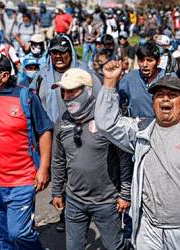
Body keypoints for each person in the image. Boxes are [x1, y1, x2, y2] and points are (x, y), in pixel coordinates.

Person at [95, 61, 180, 249]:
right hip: (150, 229)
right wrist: (109, 83)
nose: (165, 100)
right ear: (153, 103)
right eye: (159, 95)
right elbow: (106, 124)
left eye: (172, 95)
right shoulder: (141, 129)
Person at [0, 52, 53, 249]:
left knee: (19, 232)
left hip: (20, 182)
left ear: (3, 76)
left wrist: (44, 168)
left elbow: (44, 131)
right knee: (1, 237)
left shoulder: (25, 97)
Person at [50, 68, 131, 250]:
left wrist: (125, 194)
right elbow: (58, 160)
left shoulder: (107, 119)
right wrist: (56, 191)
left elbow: (124, 158)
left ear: (87, 90)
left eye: (72, 90)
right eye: (63, 91)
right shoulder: (62, 121)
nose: (66, 96)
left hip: (106, 202)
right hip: (74, 201)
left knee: (114, 246)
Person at [30, 35, 102, 122]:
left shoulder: (84, 72)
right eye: (54, 52)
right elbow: (31, 100)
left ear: (71, 53)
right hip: (51, 130)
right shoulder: (42, 75)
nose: (58, 56)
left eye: (62, 52)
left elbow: (100, 100)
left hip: (83, 127)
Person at [118, 41, 167, 118]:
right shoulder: (129, 78)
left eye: (150, 60)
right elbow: (119, 103)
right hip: (137, 126)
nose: (145, 65)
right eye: (141, 60)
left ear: (158, 62)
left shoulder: (168, 77)